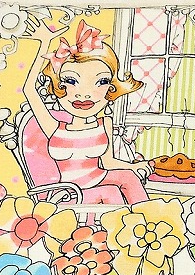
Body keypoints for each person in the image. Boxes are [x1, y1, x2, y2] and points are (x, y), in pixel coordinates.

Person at [24, 23, 151, 204]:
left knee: (128, 177)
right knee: (111, 192)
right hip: (70, 192)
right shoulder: (54, 128)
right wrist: (44, 43)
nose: (84, 94)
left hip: (99, 178)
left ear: (111, 87)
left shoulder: (104, 123)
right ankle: (128, 221)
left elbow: (108, 162)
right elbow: (29, 89)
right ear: (59, 85)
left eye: (101, 81)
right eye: (71, 81)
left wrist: (134, 166)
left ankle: (148, 216)